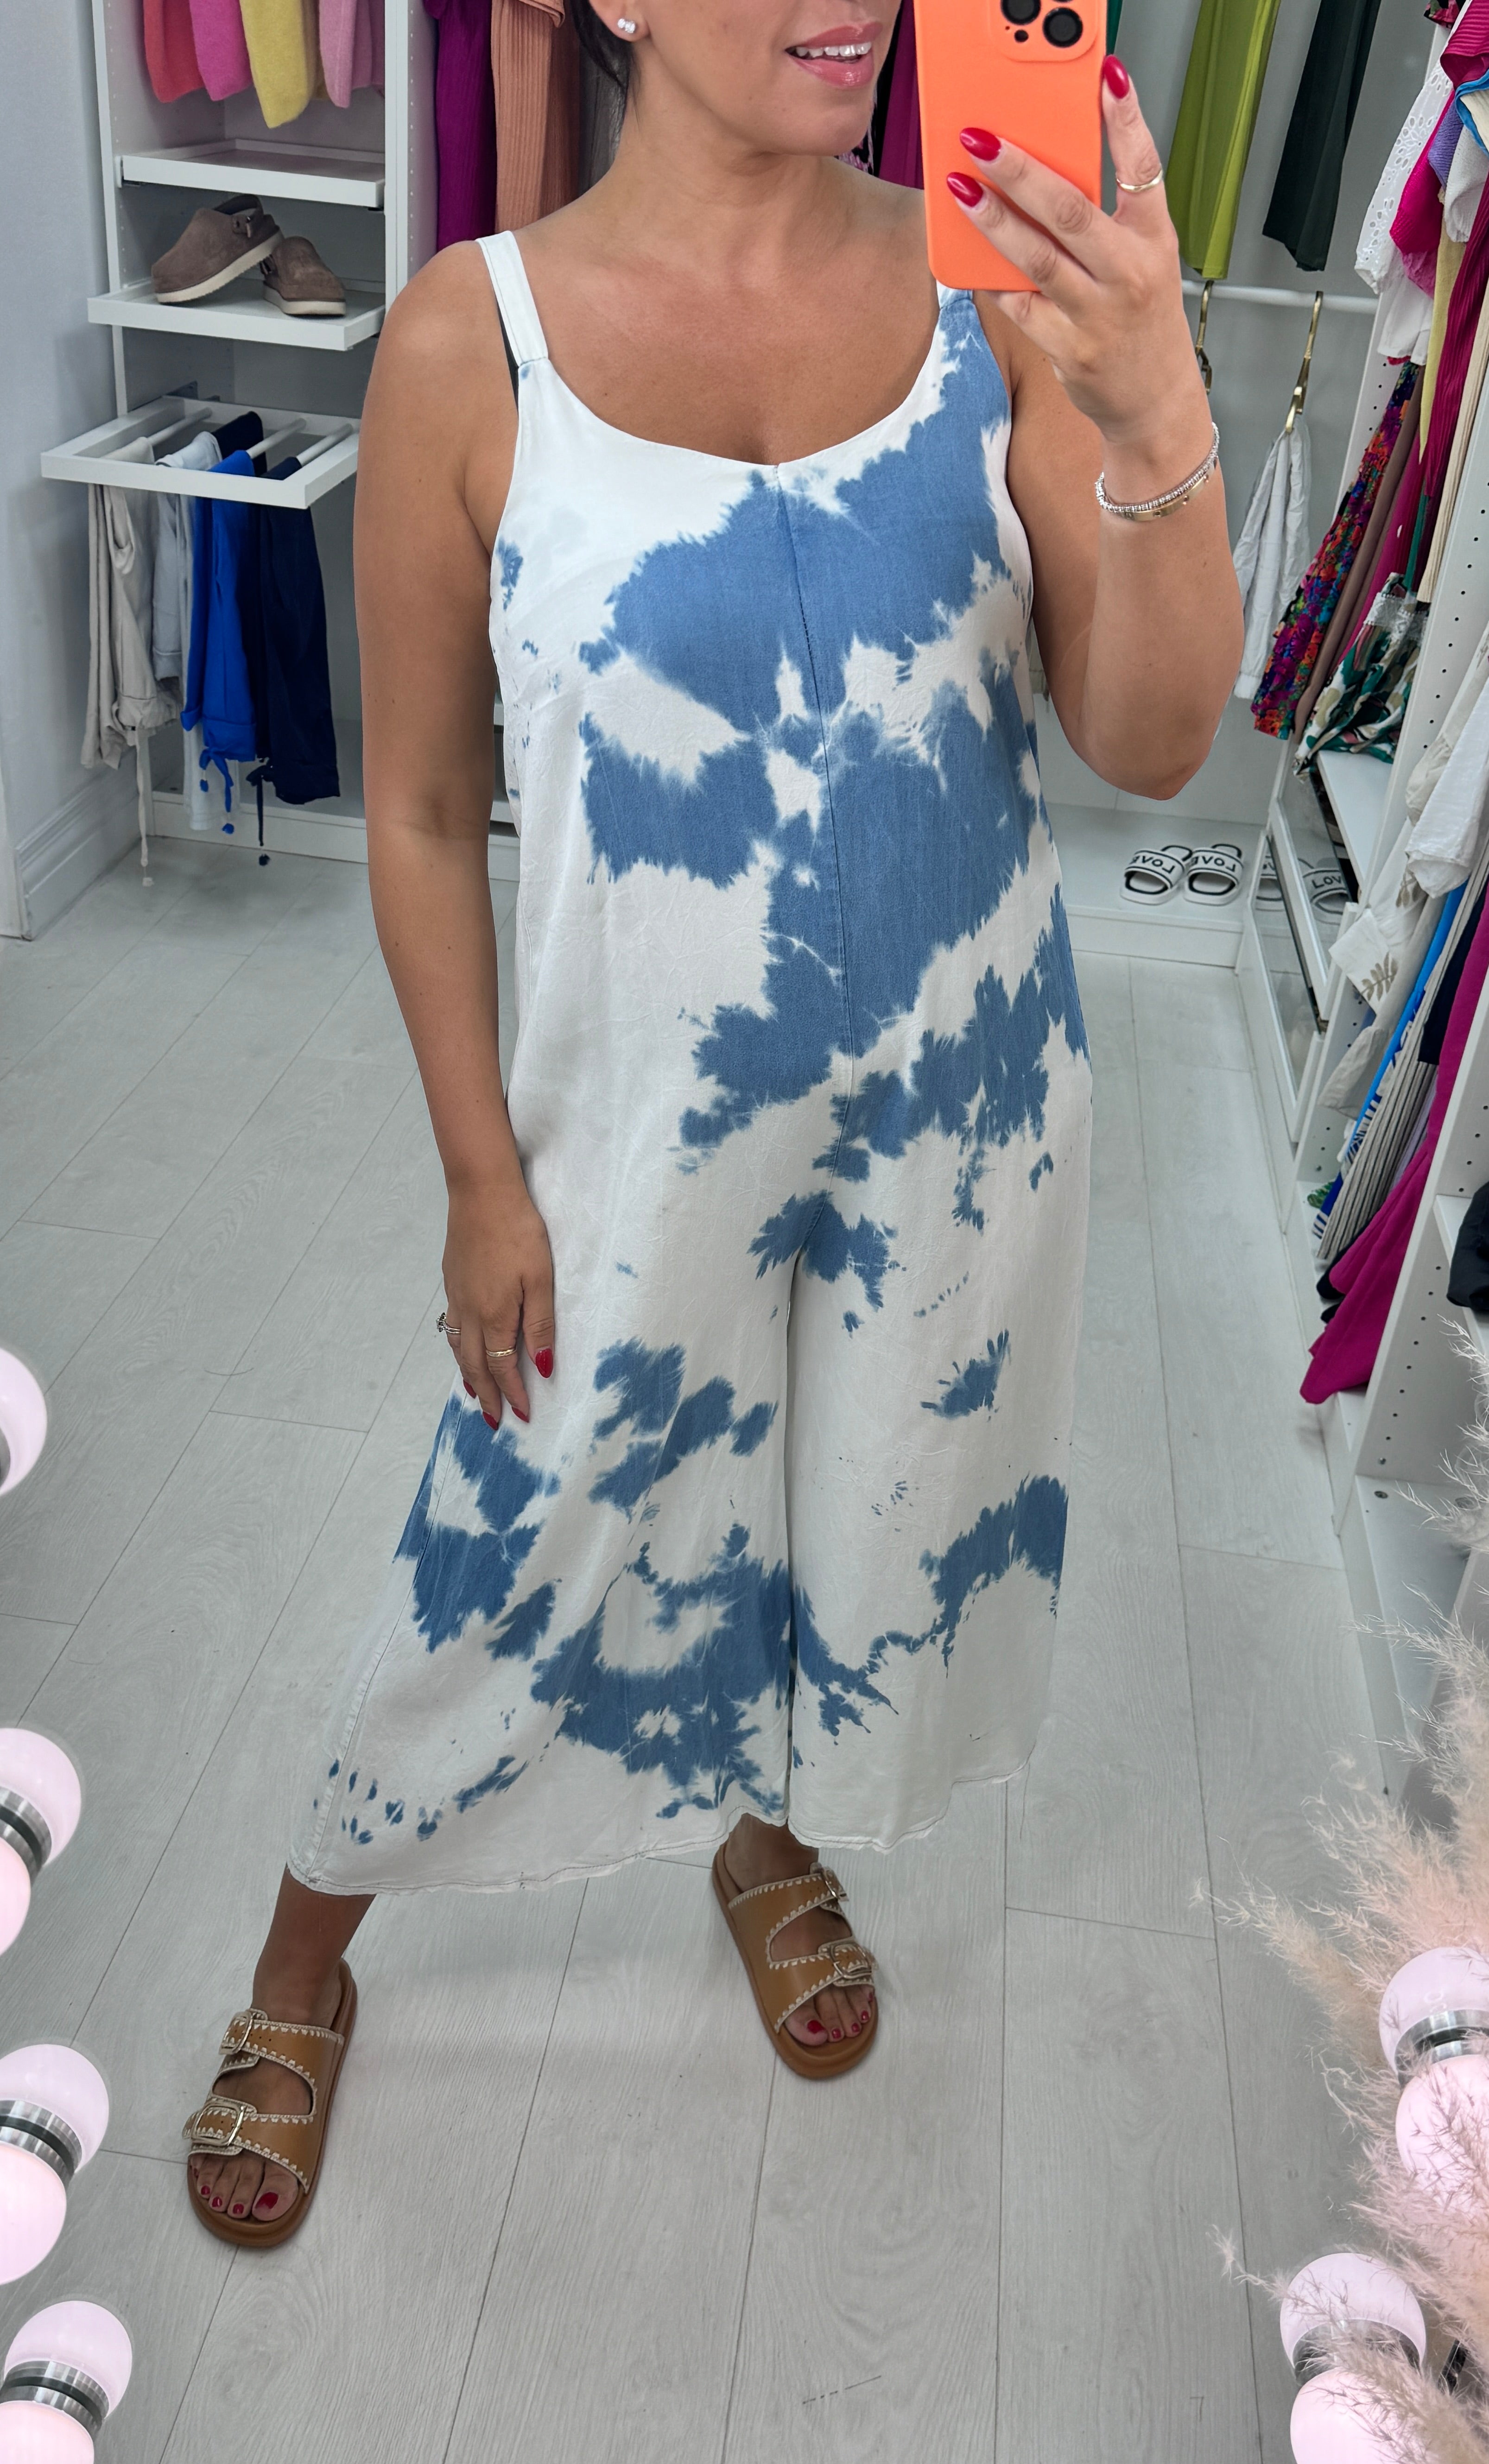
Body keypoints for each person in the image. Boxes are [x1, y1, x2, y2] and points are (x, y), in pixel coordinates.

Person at [185, 1, 1240, 2237]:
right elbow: (422, 804)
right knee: (520, 1521)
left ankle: (763, 1831)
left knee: (859, 1502)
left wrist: (1154, 409)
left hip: (964, 1122)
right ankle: (302, 1950)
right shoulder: (475, 341)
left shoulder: (993, 297)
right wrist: (479, 1172)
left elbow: (1151, 744)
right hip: (626, 1121)